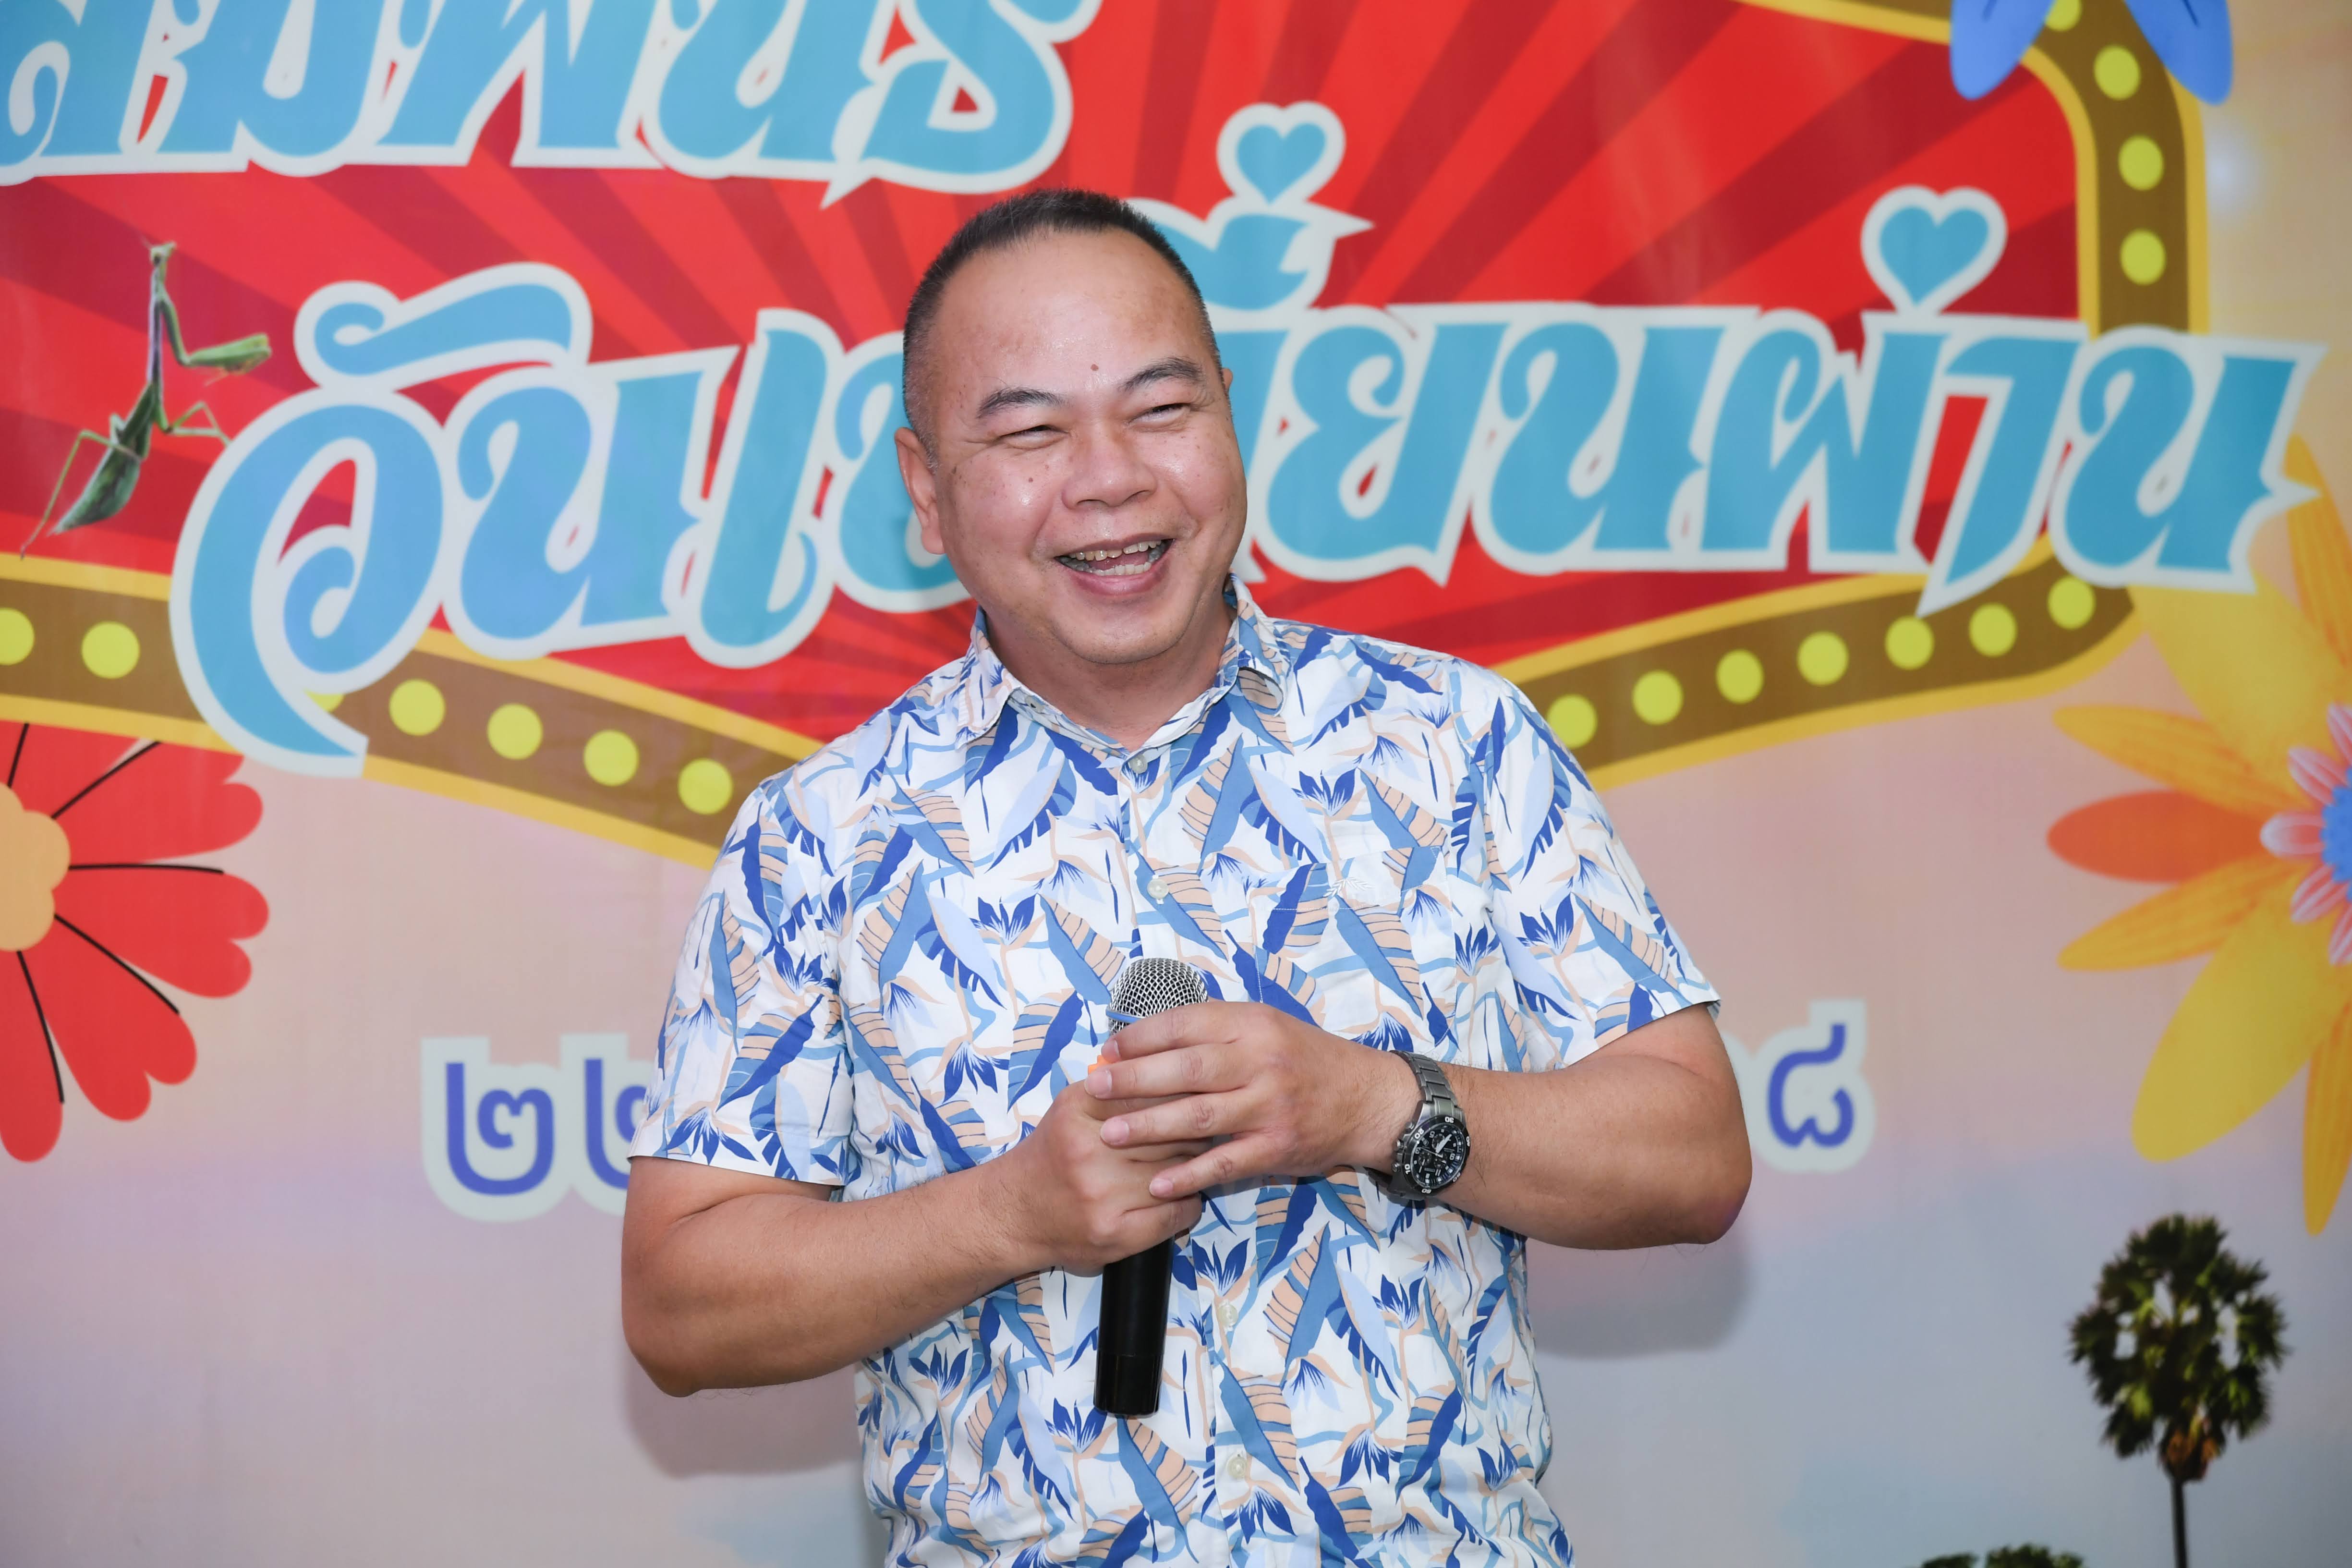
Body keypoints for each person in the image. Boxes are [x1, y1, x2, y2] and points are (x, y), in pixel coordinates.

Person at [621, 189, 1751, 1566]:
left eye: (1160, 409)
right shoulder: (820, 835)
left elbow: (1693, 1155)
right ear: (925, 489)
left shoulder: (1454, 742)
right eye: (1030, 431)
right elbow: (678, 1301)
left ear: (1229, 419)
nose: (1109, 479)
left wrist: (1369, 1103)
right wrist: (1009, 1213)